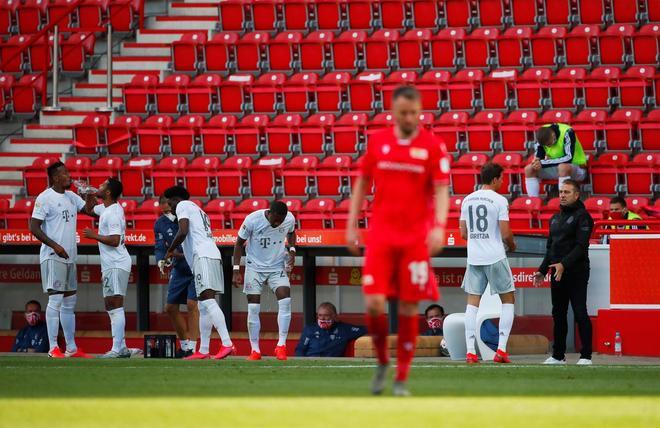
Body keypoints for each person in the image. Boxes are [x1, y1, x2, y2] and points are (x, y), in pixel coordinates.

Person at [346, 85, 450, 396]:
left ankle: (401, 377)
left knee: (407, 307)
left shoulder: (433, 146)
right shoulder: (378, 142)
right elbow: (362, 184)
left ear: (419, 112)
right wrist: (352, 224)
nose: (408, 118)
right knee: (374, 303)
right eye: (402, 113)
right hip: (381, 236)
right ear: (393, 112)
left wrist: (439, 227)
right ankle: (381, 362)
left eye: (413, 113)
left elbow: (442, 189)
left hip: (415, 238)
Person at [29, 161, 97, 358]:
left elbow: (90, 211)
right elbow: (34, 227)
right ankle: (52, 348)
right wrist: (55, 246)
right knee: (56, 299)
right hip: (53, 256)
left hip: (69, 257)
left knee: (70, 302)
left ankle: (71, 348)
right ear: (56, 177)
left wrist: (89, 195)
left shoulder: (71, 196)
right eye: (66, 174)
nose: (70, 176)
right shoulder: (45, 198)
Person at [163, 186, 234, 360]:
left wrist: (170, 250)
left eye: (169, 201)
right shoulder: (200, 211)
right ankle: (203, 350)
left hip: (203, 256)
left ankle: (227, 342)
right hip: (210, 255)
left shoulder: (183, 206)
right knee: (202, 305)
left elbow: (183, 230)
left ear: (176, 199)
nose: (168, 206)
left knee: (207, 300)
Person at [460, 162, 517, 364]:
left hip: (474, 258)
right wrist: (512, 244)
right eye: (502, 178)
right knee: (508, 300)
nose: (503, 182)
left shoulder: (467, 200)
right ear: (494, 179)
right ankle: (501, 350)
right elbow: (505, 232)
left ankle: (470, 352)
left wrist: (477, 241)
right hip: (495, 257)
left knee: (472, 304)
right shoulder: (499, 201)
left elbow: (463, 233)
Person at [533, 179, 594, 365]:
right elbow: (551, 248)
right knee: (558, 313)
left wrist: (563, 264)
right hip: (556, 272)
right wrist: (542, 270)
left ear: (576, 195)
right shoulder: (555, 218)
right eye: (561, 192)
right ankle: (558, 355)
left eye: (567, 192)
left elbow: (581, 246)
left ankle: (586, 356)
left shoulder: (583, 217)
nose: (562, 195)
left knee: (579, 312)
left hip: (577, 271)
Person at [231, 200, 296, 361]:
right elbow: (238, 244)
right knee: (253, 307)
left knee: (285, 299)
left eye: (281, 221)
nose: (277, 223)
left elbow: (292, 233)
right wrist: (236, 270)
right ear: (269, 213)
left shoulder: (289, 219)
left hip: (276, 267)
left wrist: (292, 250)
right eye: (275, 220)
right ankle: (255, 350)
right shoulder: (253, 220)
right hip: (254, 268)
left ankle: (281, 346)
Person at [83, 178, 140, 358]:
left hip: (116, 263)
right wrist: (88, 195)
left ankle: (117, 348)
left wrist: (94, 235)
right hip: (110, 264)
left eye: (102, 185)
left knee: (115, 303)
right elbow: (90, 210)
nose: (98, 186)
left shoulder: (113, 213)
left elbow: (115, 240)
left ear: (108, 192)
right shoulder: (106, 208)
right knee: (110, 304)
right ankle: (121, 346)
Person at [155, 194, 199, 358]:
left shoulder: (186, 215)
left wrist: (172, 254)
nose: (164, 204)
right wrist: (160, 260)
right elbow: (160, 246)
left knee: (191, 304)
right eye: (161, 201)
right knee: (170, 307)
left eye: (167, 200)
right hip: (179, 269)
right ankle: (185, 345)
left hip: (194, 265)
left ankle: (193, 348)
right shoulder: (160, 223)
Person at [524, 123, 587, 198]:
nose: (548, 147)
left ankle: (564, 200)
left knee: (563, 167)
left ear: (553, 135)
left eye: (549, 144)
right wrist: (537, 161)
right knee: (529, 169)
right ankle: (533, 202)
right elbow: (539, 153)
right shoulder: (542, 133)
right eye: (546, 145)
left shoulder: (568, 132)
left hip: (576, 167)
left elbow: (568, 158)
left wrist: (543, 163)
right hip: (555, 167)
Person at [295, 302, 367, 357]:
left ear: (334, 316)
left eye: (326, 316)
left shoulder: (344, 329)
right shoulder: (309, 329)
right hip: (311, 362)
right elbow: (300, 350)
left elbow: (366, 329)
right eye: (320, 315)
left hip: (333, 364)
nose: (322, 319)